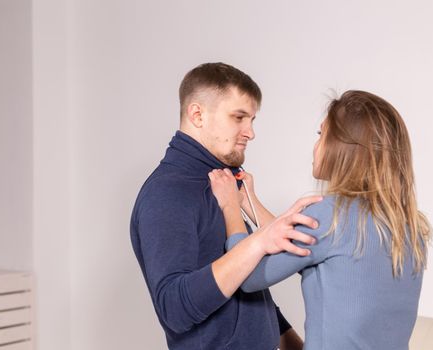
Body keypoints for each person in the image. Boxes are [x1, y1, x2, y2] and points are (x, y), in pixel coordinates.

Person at [209, 90, 432, 350]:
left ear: (341, 147)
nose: (316, 146)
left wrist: (230, 207)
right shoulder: (410, 228)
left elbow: (247, 276)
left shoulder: (331, 215)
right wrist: (248, 202)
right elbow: (295, 243)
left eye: (321, 134)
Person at [130, 62, 322, 350]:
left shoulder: (221, 183)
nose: (250, 132)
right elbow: (174, 308)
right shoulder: (167, 193)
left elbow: (244, 289)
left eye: (252, 120)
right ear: (197, 115)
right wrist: (257, 243)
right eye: (238, 117)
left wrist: (293, 344)